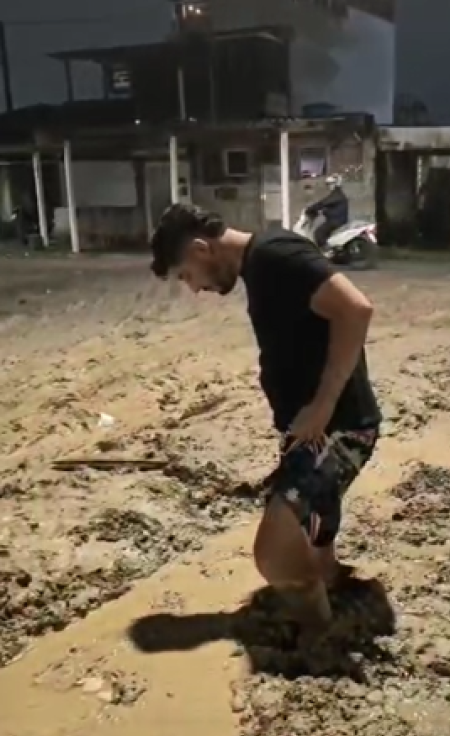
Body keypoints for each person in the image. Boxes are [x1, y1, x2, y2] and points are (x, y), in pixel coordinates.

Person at [149, 203, 381, 643]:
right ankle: (335, 585)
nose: (193, 288)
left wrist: (323, 405)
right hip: (313, 430)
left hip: (340, 426)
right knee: (311, 526)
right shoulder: (262, 265)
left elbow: (356, 309)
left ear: (201, 248)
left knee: (273, 556)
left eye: (185, 275)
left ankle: (321, 639)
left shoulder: (276, 257)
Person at [306, 174, 349, 248]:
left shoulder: (337, 195)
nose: (329, 186)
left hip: (336, 221)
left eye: (331, 184)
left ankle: (325, 250)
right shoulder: (336, 194)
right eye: (328, 184)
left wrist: (312, 208)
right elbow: (326, 203)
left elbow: (324, 202)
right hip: (336, 220)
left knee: (318, 233)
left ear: (336, 184)